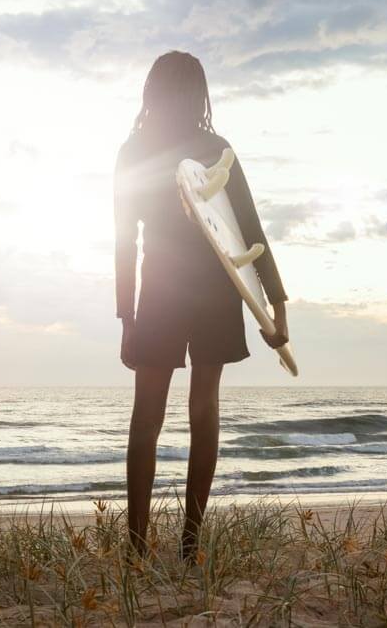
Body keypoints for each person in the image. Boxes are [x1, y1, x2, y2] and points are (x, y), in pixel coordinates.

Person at [113, 50, 290, 561]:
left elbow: (124, 240)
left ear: (152, 90)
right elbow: (251, 232)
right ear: (200, 93)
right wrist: (277, 309)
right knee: (204, 409)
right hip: (215, 289)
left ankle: (137, 549)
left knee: (146, 416)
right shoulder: (216, 148)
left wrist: (126, 317)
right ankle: (190, 545)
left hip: (161, 289)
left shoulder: (135, 150)